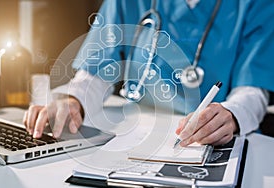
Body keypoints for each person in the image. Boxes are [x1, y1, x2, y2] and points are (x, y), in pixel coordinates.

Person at [23, 0, 274, 147]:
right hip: (135, 135)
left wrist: (231, 114)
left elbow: (253, 88)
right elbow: (96, 72)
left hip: (208, 142)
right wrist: (72, 99)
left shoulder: (257, 5)